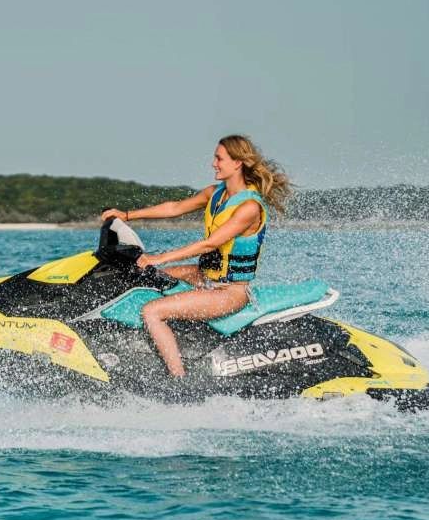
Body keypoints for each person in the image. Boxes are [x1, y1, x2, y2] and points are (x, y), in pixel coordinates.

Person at [100, 134, 291, 378]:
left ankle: (178, 379)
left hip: (229, 292)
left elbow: (210, 244)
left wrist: (160, 257)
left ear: (237, 163)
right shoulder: (216, 194)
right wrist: (126, 215)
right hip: (204, 277)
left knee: (152, 311)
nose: (214, 163)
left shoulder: (249, 208)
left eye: (219, 158)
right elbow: (175, 208)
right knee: (144, 276)